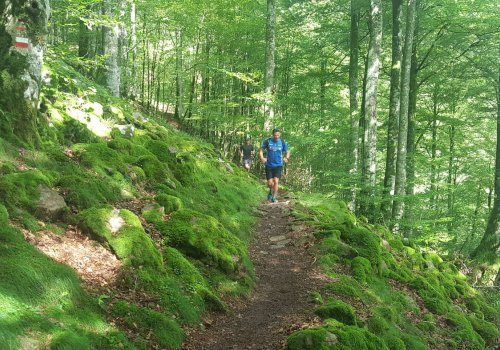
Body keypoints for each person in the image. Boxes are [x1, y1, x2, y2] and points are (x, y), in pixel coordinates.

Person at [259, 128, 290, 203]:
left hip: (278, 165)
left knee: (276, 181)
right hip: (269, 165)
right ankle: (270, 190)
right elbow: (261, 150)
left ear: (280, 135)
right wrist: (262, 158)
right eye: (275, 135)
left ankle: (274, 197)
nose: (276, 136)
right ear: (273, 135)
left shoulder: (282, 142)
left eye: (278, 135)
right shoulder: (268, 141)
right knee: (270, 183)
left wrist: (286, 157)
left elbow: (287, 151)